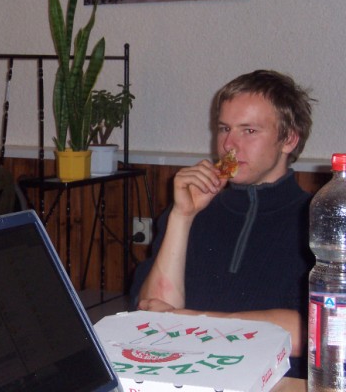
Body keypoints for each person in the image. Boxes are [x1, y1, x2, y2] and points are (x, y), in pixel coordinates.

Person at [129, 70, 315, 379]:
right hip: (183, 377)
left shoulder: (318, 220)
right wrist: (182, 217)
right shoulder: (194, 210)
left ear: (289, 139)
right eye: (224, 128)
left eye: (249, 131)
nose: (230, 145)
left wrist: (194, 321)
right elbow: (153, 311)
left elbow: (314, 330)